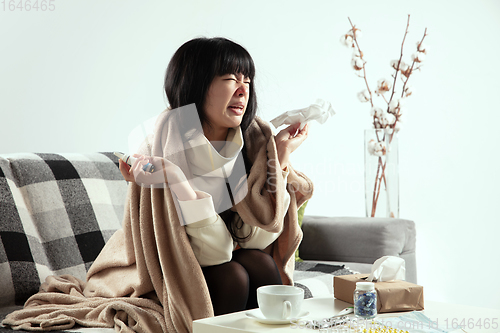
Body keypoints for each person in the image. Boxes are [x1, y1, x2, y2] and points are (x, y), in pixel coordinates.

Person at [119, 37, 312, 316]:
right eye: (231, 79)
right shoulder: (161, 148)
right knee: (232, 275)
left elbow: (259, 238)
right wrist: (178, 181)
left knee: (260, 263)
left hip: (224, 261)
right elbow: (213, 254)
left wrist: (278, 157)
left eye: (247, 80)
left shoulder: (254, 140)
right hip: (169, 273)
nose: (243, 90)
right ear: (196, 85)